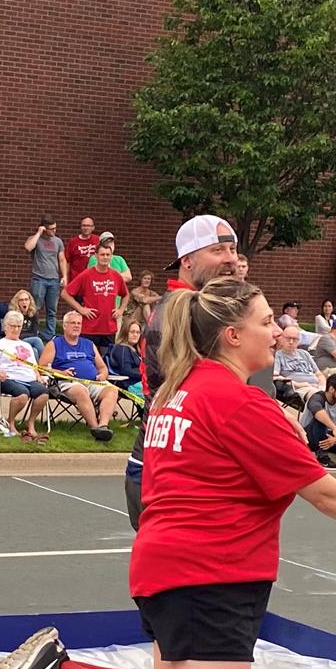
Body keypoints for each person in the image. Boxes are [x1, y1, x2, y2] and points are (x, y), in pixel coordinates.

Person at [0, 278, 336, 669]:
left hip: (165, 569)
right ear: (232, 335)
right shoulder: (236, 402)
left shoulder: (178, 391)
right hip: (212, 574)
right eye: (266, 321)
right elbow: (327, 495)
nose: (280, 330)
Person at [124, 214, 241, 529]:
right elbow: (202, 397)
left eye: (232, 250)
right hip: (167, 470)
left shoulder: (203, 309)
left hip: (183, 465)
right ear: (187, 261)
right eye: (218, 251)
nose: (230, 259)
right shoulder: (181, 314)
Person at [39, 309, 119, 442]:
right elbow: (41, 368)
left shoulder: (88, 344)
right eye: (73, 323)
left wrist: (103, 375)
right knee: (80, 391)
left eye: (79, 323)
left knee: (112, 390)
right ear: (64, 326)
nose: (76, 326)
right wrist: (61, 373)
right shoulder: (55, 344)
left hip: (93, 382)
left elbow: (102, 367)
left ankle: (103, 426)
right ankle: (95, 428)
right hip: (68, 382)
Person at [0, 310, 50, 440]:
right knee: (22, 395)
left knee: (43, 394)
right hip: (8, 378)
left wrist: (38, 376)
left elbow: (34, 367)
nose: (16, 329)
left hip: (29, 378)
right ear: (5, 326)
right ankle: (11, 422)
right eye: (12, 326)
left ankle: (31, 422)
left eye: (18, 326)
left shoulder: (26, 345)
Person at [63, 238, 128, 354]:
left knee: (107, 363)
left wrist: (121, 310)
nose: (105, 257)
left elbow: (126, 295)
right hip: (90, 328)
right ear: (96, 256)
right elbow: (65, 293)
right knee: (89, 360)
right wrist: (81, 309)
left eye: (108, 255)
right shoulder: (86, 275)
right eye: (102, 254)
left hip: (109, 328)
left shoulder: (116, 276)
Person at [61, 216, 96, 281]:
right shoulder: (73, 242)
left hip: (92, 278)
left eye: (88, 226)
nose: (86, 228)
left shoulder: (97, 240)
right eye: (84, 225)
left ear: (93, 227)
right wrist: (66, 278)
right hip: (76, 278)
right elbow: (67, 261)